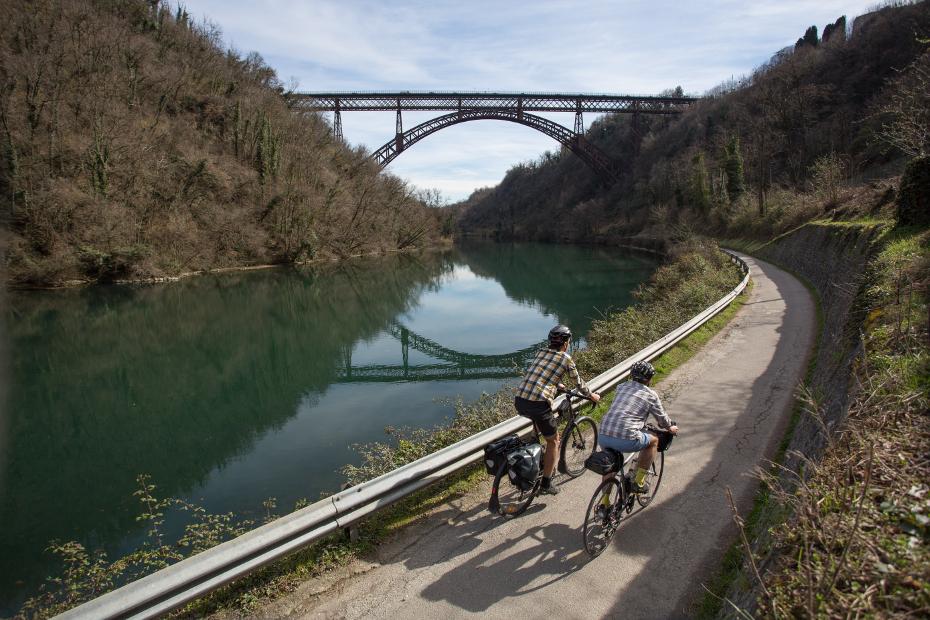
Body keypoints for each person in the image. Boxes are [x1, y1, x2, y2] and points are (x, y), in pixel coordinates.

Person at [514, 324, 601, 495]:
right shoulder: (566, 359)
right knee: (554, 441)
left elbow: (541, 374)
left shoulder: (540, 352)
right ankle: (546, 484)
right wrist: (591, 395)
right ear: (566, 342)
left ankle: (534, 448)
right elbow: (579, 384)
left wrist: (556, 383)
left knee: (540, 423)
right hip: (538, 404)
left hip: (520, 400)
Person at [597, 360, 678, 499]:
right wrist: (671, 427)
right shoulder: (651, 395)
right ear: (649, 379)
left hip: (603, 435)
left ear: (632, 375)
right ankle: (638, 482)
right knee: (653, 441)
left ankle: (604, 503)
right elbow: (662, 419)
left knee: (611, 465)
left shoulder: (621, 387)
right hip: (626, 438)